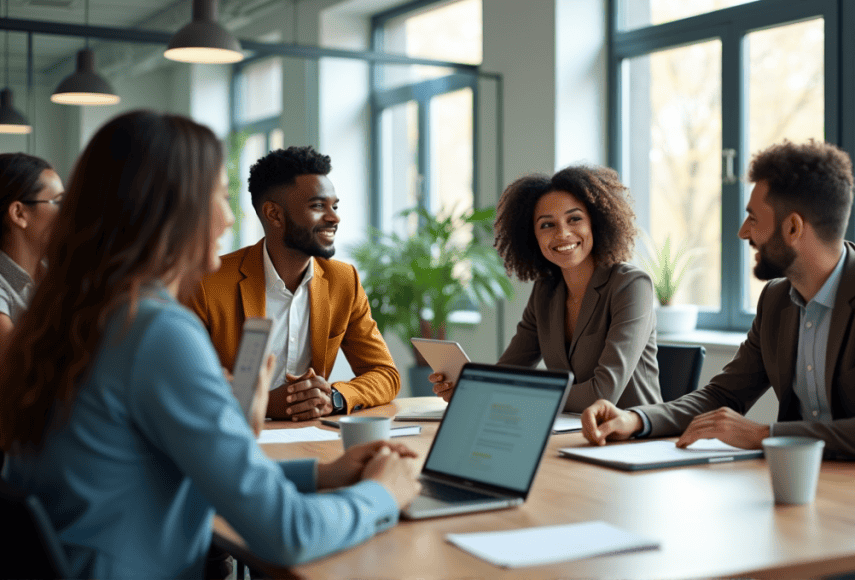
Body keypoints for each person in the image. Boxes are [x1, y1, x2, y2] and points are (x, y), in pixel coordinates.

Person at [0, 111, 421, 578]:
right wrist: (385, 492)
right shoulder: (156, 332)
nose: (227, 217)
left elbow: (157, 470)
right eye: (219, 195)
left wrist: (322, 475)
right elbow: (289, 534)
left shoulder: (75, 314)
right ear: (170, 209)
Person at [581, 139, 855, 469]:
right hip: (823, 488)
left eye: (753, 217)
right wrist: (635, 419)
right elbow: (723, 396)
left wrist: (766, 435)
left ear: (794, 227)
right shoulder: (777, 301)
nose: (743, 231)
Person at [188, 146, 400, 422]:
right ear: (274, 215)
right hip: (228, 435)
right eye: (317, 206)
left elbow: (385, 373)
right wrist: (262, 403)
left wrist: (333, 398)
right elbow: (183, 388)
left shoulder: (343, 280)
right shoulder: (208, 282)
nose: (334, 217)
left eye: (334, 206)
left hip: (310, 436)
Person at [431, 165, 661, 413]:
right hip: (570, 432)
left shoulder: (631, 286)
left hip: (633, 440)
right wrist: (472, 387)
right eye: (547, 225)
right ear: (533, 236)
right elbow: (510, 369)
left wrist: (512, 394)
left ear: (596, 222)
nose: (562, 233)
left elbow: (603, 394)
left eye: (574, 219)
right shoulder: (546, 292)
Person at [0, 153, 63, 343]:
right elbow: (18, 366)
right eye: (59, 202)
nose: (68, 212)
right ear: (19, 214)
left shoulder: (55, 273)